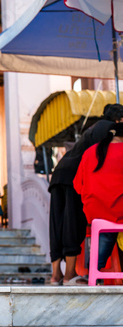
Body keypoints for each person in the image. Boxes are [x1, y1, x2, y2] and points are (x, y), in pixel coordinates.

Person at [49, 103, 123, 286]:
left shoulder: (95, 128)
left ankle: (56, 275)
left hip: (60, 172)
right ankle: (69, 276)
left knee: (57, 224)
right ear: (119, 120)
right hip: (74, 175)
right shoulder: (107, 130)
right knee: (73, 223)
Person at [74, 122, 123, 271]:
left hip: (96, 213)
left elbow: (77, 185)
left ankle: (95, 271)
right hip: (119, 211)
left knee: (105, 238)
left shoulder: (90, 152)